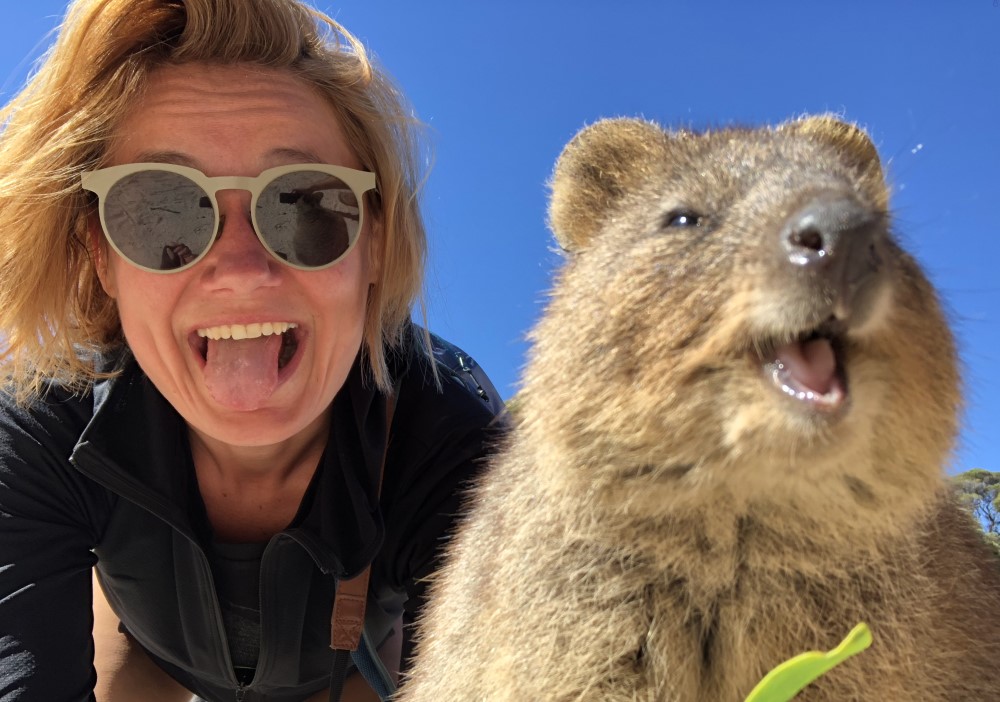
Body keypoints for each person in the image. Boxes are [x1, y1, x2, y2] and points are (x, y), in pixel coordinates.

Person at [0, 1, 505, 701]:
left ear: (376, 246)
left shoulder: (456, 441)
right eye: (159, 210)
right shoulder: (43, 421)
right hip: (152, 657)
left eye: (305, 204)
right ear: (102, 255)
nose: (240, 268)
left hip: (350, 672)